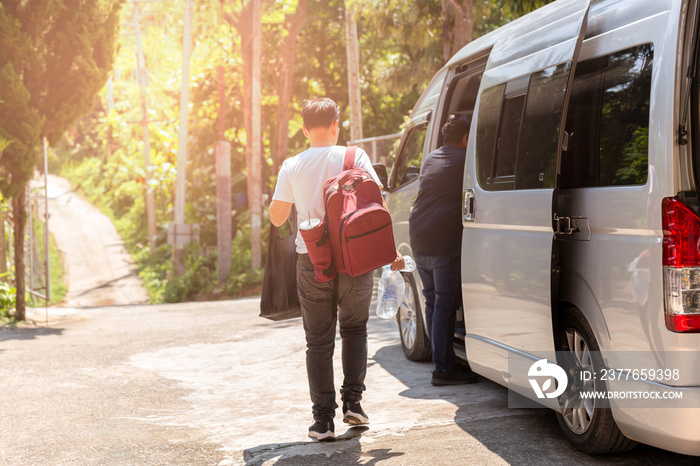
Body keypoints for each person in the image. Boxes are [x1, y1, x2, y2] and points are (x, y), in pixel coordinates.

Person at [269, 97, 404, 441]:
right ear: (336, 125)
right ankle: (353, 406)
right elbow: (377, 203)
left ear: (304, 129)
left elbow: (277, 217)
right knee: (355, 329)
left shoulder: (292, 164)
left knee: (318, 341)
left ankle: (322, 422)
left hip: (311, 262)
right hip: (355, 259)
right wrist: (389, 253)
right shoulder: (353, 156)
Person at [409, 114, 479, 386]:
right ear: (465, 139)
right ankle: (443, 368)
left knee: (432, 301)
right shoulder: (466, 160)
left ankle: (441, 360)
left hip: (419, 236)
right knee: (445, 305)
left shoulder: (430, 158)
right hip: (442, 241)